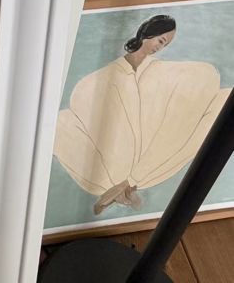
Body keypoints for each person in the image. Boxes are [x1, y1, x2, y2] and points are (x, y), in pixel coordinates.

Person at [53, 14, 231, 216]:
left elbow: (195, 79)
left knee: (214, 105)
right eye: (160, 41)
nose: (160, 47)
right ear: (148, 34)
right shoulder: (113, 74)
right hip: (122, 148)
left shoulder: (154, 69)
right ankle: (124, 186)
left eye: (165, 45)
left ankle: (126, 185)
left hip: (144, 143)